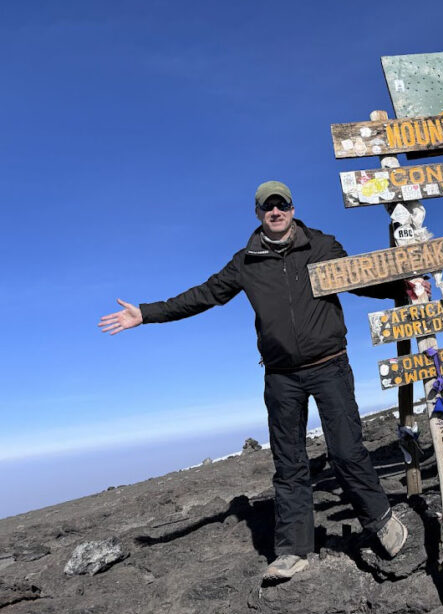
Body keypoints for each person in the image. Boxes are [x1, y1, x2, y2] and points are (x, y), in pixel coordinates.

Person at [99, 180, 423, 582]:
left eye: (281, 204)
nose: (275, 211)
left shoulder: (320, 245)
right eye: (267, 206)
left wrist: (402, 288)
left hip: (329, 366)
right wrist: (147, 313)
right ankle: (293, 551)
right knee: (289, 463)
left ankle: (380, 521)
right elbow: (203, 295)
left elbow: (357, 279)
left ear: (291, 207)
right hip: (281, 377)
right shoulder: (245, 262)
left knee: (346, 450)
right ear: (258, 213)